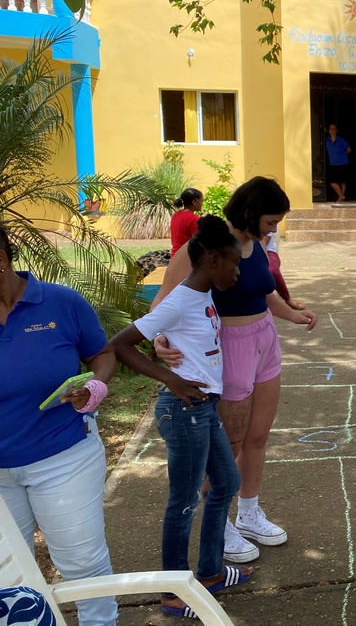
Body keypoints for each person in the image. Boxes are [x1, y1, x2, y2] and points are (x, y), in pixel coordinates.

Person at [152, 177, 318, 564]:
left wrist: (292, 313)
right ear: (249, 212)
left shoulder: (256, 244)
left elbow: (263, 291)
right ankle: (220, 521)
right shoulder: (204, 249)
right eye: (270, 221)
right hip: (227, 350)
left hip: (264, 341)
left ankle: (249, 513)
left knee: (258, 436)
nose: (273, 230)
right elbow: (162, 301)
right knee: (229, 444)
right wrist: (161, 338)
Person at [112, 215, 252, 618]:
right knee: (184, 500)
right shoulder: (179, 300)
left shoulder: (203, 293)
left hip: (204, 407)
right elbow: (120, 345)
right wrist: (170, 379)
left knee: (226, 482)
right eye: (233, 263)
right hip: (184, 410)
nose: (238, 272)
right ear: (212, 260)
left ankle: (208, 572)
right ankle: (174, 590)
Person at [0, 222, 118, 626]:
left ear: (1, 260)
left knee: (82, 562)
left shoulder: (61, 303)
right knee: (9, 578)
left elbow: (101, 353)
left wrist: (94, 386)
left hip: (63, 457)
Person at [266, 231, 304, 310]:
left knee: (272, 270)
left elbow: (263, 242)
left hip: (267, 251)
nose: (274, 229)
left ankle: (287, 299)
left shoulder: (266, 222)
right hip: (242, 251)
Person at [171, 188, 204, 256]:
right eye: (201, 201)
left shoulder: (176, 215)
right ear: (194, 202)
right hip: (186, 257)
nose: (202, 204)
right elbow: (199, 241)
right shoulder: (193, 218)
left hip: (175, 256)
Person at [325, 124, 351, 204]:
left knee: (342, 181)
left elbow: (349, 149)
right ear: (329, 130)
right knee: (332, 181)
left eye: (334, 129)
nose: (332, 131)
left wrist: (341, 155)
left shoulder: (341, 140)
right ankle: (341, 195)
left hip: (343, 163)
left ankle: (341, 198)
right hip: (333, 163)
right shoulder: (327, 140)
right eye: (330, 129)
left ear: (336, 130)